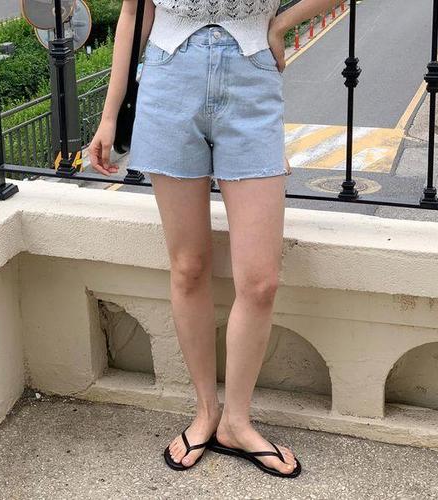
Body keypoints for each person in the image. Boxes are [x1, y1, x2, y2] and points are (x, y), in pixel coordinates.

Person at [90, 0, 340, 479]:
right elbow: (133, 14)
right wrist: (108, 117)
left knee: (261, 280)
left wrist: (281, 23)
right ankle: (206, 411)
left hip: (251, 81)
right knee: (188, 266)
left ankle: (237, 423)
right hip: (168, 81)